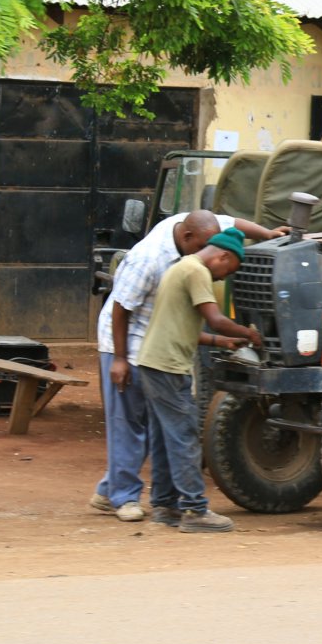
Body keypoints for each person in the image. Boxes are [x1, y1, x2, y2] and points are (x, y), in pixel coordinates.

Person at [89, 210, 282, 522]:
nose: (223, 277)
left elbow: (231, 224)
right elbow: (121, 308)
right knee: (141, 426)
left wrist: (268, 233)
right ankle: (141, 500)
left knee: (159, 431)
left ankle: (135, 496)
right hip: (128, 344)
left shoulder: (192, 244)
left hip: (153, 350)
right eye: (227, 268)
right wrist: (120, 359)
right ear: (191, 239)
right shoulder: (160, 261)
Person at [137, 227, 261, 533]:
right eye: (227, 271)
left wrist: (221, 342)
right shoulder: (197, 272)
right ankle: (194, 510)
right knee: (184, 436)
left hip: (152, 361)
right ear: (223, 257)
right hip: (169, 366)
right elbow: (216, 320)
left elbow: (182, 327)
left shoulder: (181, 267)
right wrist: (249, 334)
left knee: (165, 437)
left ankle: (164, 505)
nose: (222, 279)